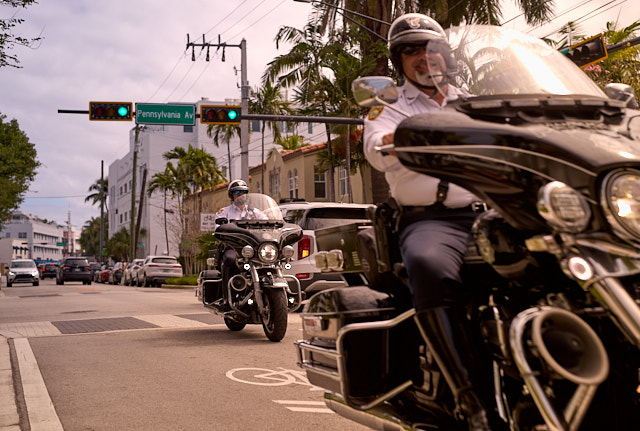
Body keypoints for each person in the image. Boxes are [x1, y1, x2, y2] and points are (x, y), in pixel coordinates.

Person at [363, 13, 490, 431]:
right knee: (429, 265)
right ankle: (467, 395)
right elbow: (376, 149)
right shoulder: (389, 107)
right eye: (411, 50)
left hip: (488, 212)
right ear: (399, 61)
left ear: (445, 54)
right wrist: (405, 137)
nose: (424, 57)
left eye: (430, 48)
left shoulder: (471, 101)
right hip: (433, 219)